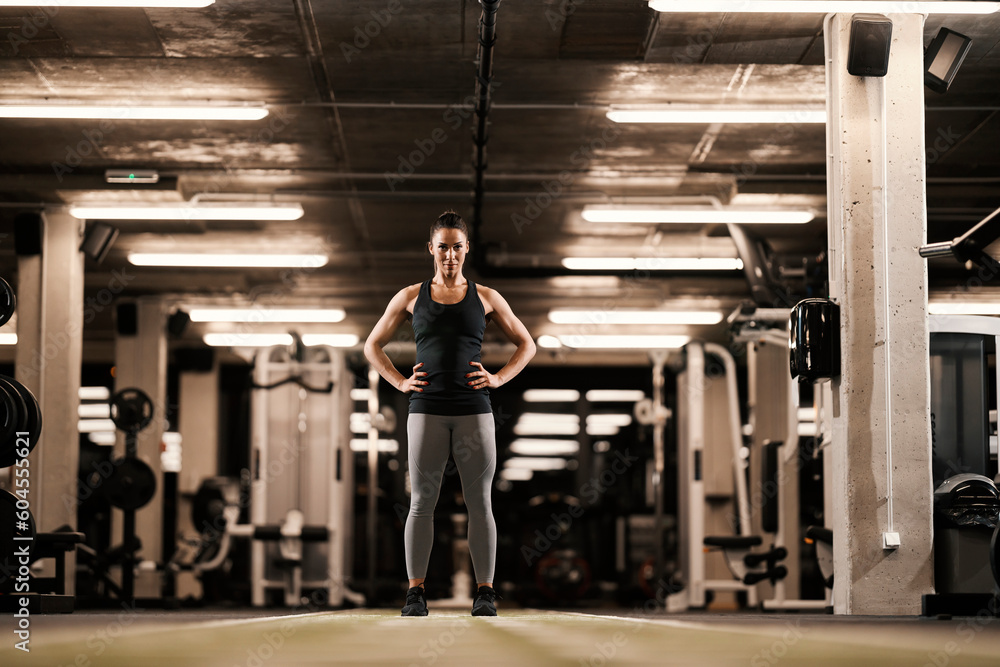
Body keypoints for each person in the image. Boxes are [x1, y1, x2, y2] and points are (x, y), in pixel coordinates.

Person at [363, 210, 536, 617]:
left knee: (480, 502)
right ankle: (416, 593)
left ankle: (486, 593)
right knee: (422, 501)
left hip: (474, 408)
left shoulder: (487, 297)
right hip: (426, 408)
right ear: (431, 249)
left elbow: (527, 344)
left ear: (466, 249)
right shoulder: (409, 297)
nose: (450, 255)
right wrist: (400, 382)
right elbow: (372, 346)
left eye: (457, 247)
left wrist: (497, 378)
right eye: (443, 247)